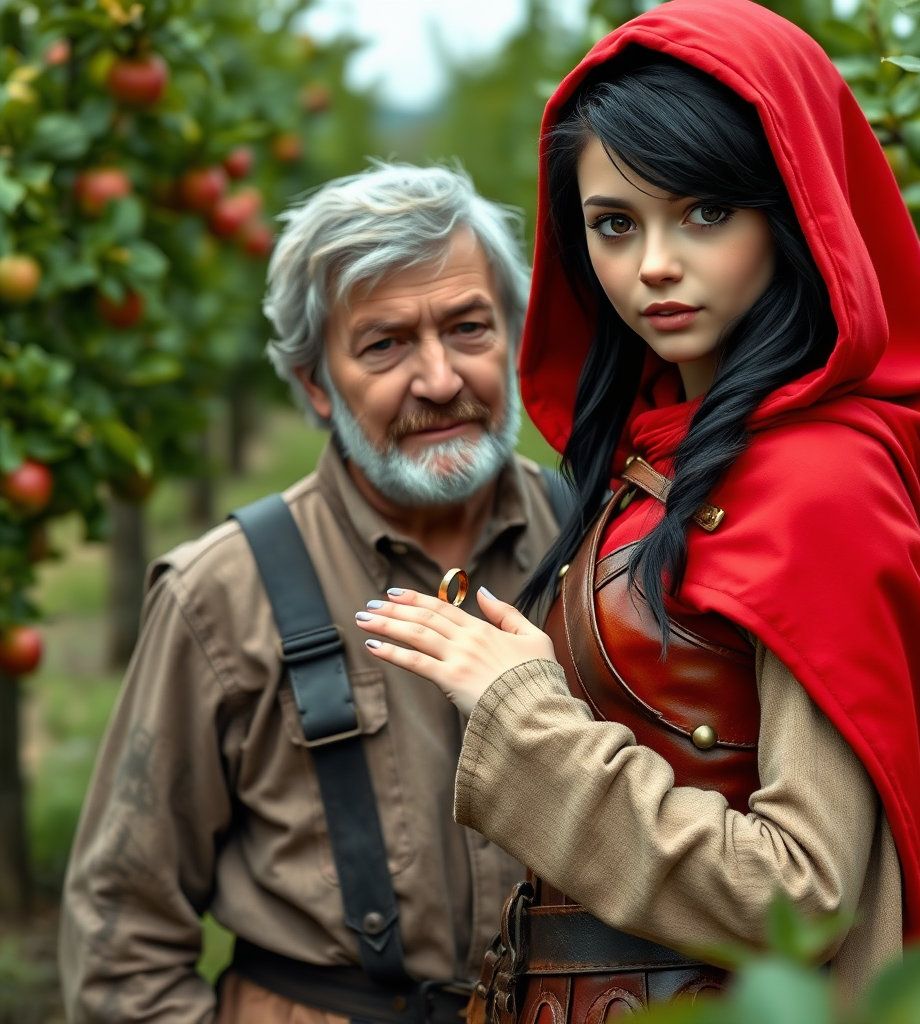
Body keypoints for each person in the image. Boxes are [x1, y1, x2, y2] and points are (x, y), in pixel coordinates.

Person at [352, 1, 920, 1015]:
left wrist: (524, 714)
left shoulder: (819, 489)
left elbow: (800, 898)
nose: (654, 267)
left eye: (705, 213)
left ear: (795, 210)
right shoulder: (656, 464)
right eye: (613, 225)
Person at [59, 163, 566, 1024]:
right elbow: (120, 939)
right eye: (384, 344)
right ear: (312, 384)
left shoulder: (604, 547)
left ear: (515, 337)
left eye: (469, 328)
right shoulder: (221, 594)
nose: (441, 380)